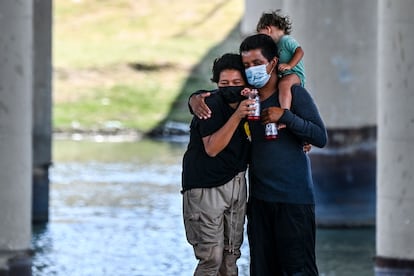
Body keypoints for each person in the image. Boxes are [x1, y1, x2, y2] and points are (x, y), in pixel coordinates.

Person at [240, 34, 327, 275]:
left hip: (294, 202)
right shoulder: (247, 100)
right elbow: (217, 94)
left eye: (257, 63)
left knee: (298, 271)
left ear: (273, 62)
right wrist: (194, 100)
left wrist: (285, 116)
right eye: (246, 65)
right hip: (259, 204)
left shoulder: (294, 94)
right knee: (261, 270)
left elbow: (320, 137)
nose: (252, 70)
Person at [181, 53, 254, 276]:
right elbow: (212, 148)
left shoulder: (253, 103)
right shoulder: (208, 105)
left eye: (236, 83)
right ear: (216, 84)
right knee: (211, 258)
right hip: (205, 187)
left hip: (236, 184)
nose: (230, 88)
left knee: (230, 258)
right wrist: (237, 116)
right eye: (224, 83)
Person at [256, 9, 306, 111]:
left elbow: (300, 51)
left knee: (284, 84)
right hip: (284, 75)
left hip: (295, 74)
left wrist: (289, 65)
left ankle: (285, 112)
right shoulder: (276, 45)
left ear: (268, 29)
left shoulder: (286, 40)